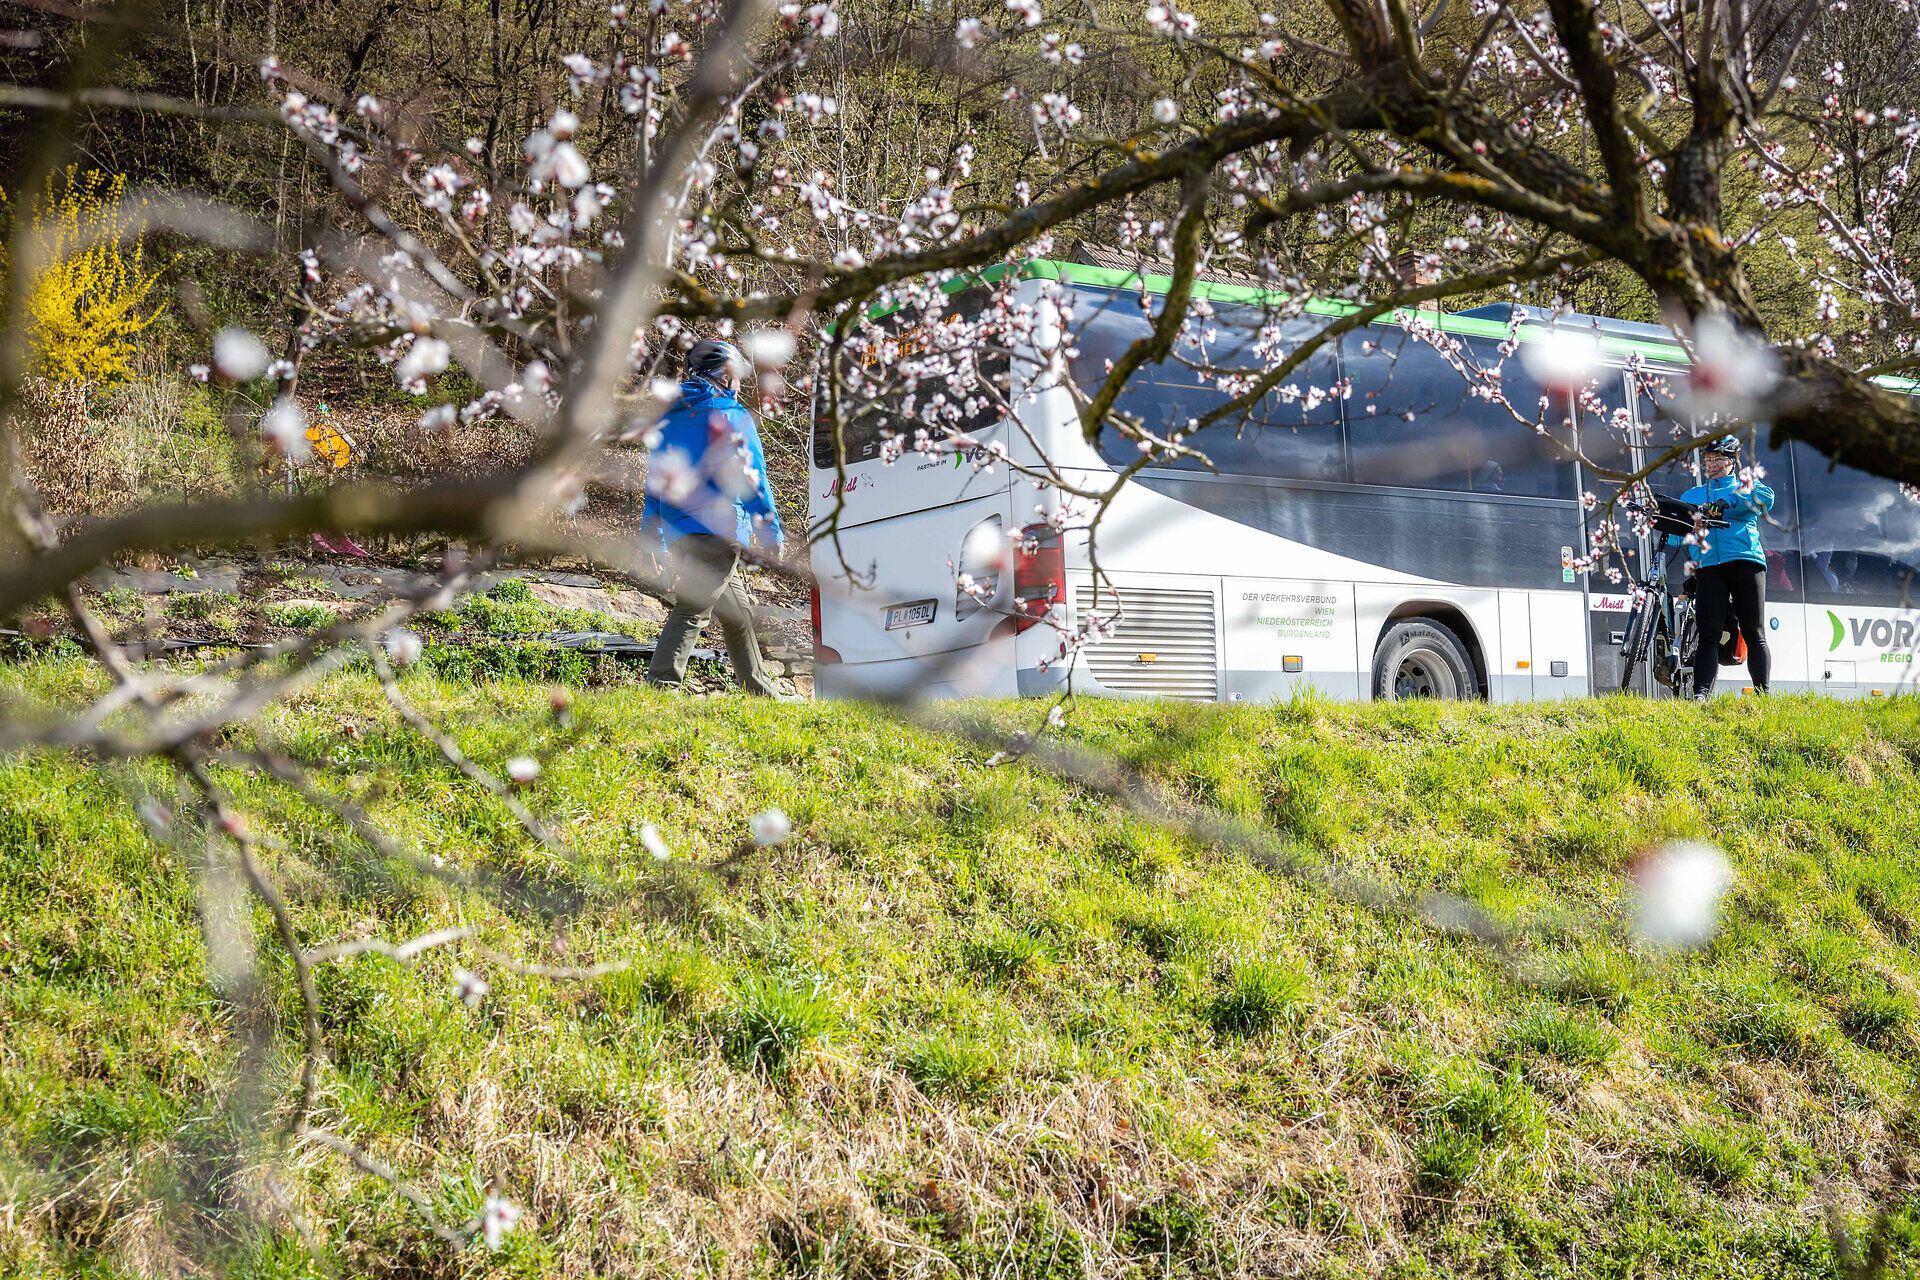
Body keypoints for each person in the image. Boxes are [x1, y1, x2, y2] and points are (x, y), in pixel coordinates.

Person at [641, 338, 788, 698]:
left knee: (738, 614)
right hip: (719, 529)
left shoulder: (669, 417)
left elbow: (656, 481)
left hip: (680, 531)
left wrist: (653, 536)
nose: (740, 384)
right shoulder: (731, 413)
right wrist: (770, 530)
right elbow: (753, 477)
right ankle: (661, 684)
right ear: (724, 374)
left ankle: (758, 688)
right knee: (694, 608)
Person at [1670, 434, 1774, 699]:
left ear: (1732, 461)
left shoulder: (1744, 485)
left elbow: (1765, 498)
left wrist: (1728, 501)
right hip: (1708, 567)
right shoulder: (1692, 494)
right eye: (1708, 460)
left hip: (1744, 561)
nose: (1712, 464)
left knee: (1754, 631)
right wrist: (1669, 522)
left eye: (1717, 459)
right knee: (1709, 633)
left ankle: (1763, 695)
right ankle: (1700, 696)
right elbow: (1675, 533)